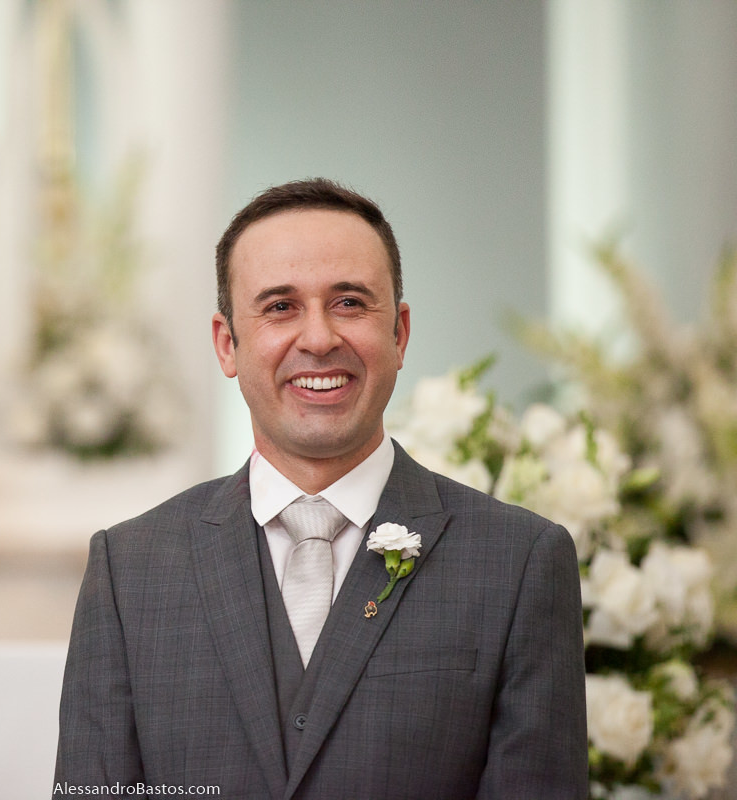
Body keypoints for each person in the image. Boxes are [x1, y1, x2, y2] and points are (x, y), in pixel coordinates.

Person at [54, 178, 587, 799]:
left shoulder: (519, 562)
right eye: (280, 306)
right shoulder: (130, 570)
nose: (318, 338)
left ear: (400, 334)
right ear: (228, 344)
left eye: (351, 303)